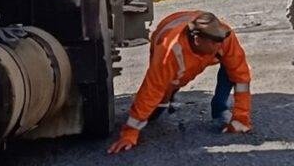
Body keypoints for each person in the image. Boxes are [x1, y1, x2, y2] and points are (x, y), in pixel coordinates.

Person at [107, 11, 252, 154]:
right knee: (158, 101)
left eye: (220, 41)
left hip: (190, 26)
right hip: (166, 34)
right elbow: (151, 90)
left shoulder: (223, 36)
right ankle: (167, 97)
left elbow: (241, 77)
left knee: (231, 66)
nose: (219, 45)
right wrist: (130, 133)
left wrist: (240, 118)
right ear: (197, 39)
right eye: (214, 42)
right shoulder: (168, 52)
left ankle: (219, 107)